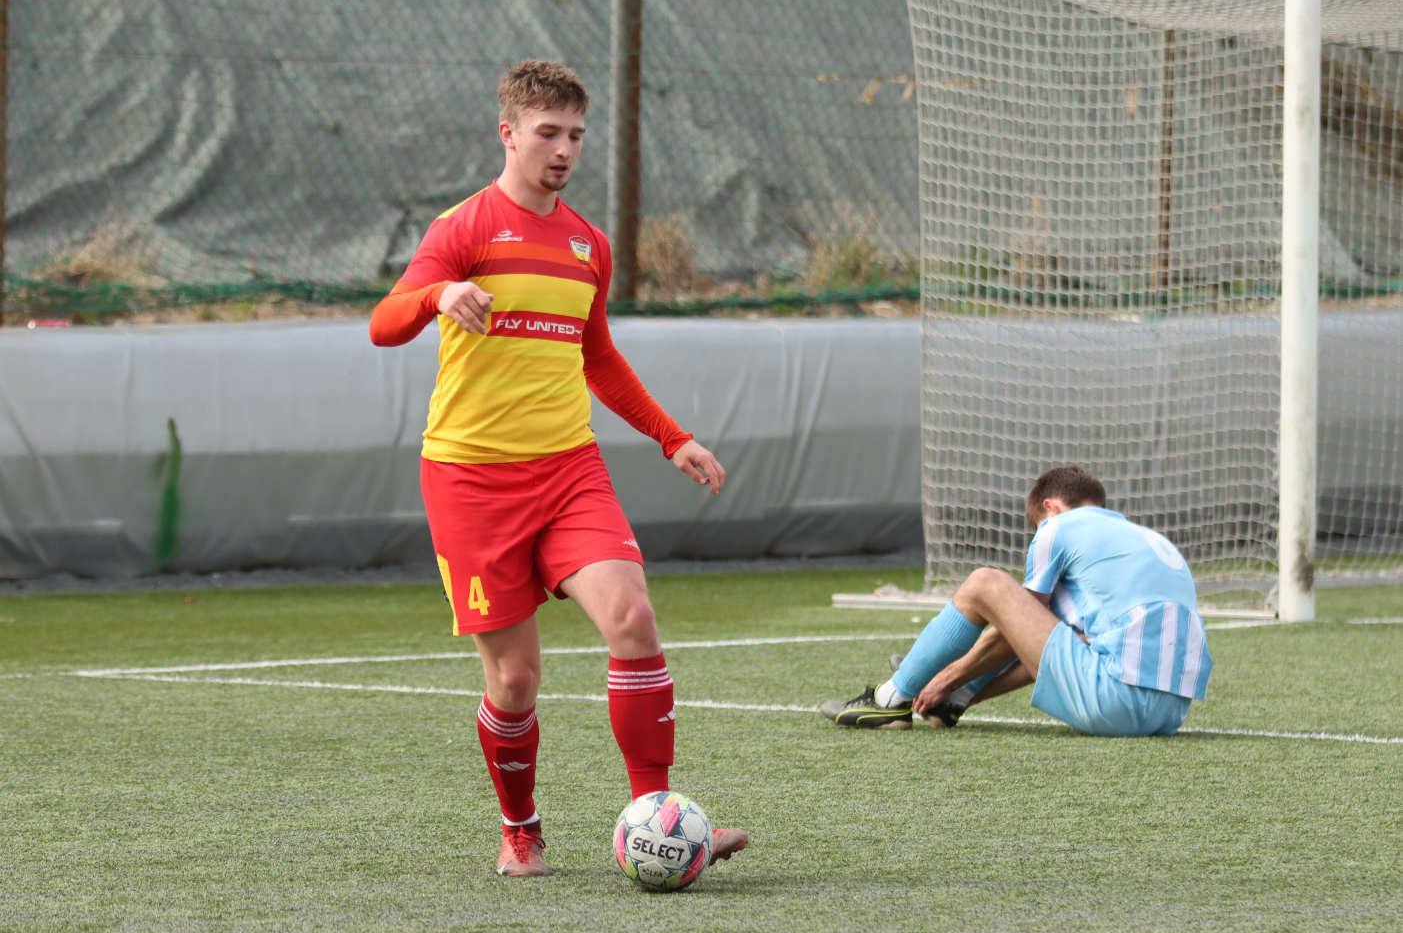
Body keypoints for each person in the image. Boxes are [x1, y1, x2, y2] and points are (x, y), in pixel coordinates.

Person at [369, 59, 748, 877]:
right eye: (548, 133)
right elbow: (383, 324)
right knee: (515, 681)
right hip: (470, 480)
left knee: (633, 620)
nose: (564, 149)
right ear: (508, 134)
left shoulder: (588, 244)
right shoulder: (462, 229)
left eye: (576, 134)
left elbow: (596, 355)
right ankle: (520, 831)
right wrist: (437, 296)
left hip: (568, 471)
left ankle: (660, 820)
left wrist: (672, 437)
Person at [821, 466, 1212, 737]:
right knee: (1061, 625)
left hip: (1114, 701)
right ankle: (954, 700)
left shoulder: (1058, 526)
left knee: (985, 584)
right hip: (1170, 715)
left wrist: (945, 675)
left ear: (1050, 507)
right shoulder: (1147, 539)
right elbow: (1039, 641)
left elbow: (1015, 625)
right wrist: (958, 689)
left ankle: (890, 700)